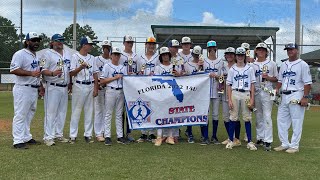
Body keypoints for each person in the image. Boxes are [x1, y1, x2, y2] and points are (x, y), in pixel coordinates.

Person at [274, 43, 312, 153]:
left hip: (296, 94)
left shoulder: (303, 64)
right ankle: (284, 143)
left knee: (296, 120)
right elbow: (280, 80)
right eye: (288, 50)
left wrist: (305, 97)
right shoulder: (284, 64)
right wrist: (276, 89)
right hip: (284, 95)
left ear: (297, 50)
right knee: (281, 120)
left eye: (292, 49)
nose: (290, 51)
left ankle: (294, 145)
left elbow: (307, 83)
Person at [10, 32, 44, 149]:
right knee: (20, 114)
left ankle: (26, 136)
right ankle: (17, 140)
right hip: (22, 88)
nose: (36, 43)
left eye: (38, 40)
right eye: (33, 40)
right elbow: (13, 69)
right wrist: (30, 73)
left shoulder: (36, 55)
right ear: (27, 41)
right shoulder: (20, 54)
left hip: (33, 88)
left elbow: (37, 73)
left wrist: (40, 86)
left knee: (29, 114)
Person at [41, 33, 71, 146]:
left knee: (62, 112)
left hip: (64, 87)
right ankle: (48, 136)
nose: (60, 42)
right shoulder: (46, 54)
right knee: (50, 112)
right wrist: (52, 73)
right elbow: (42, 69)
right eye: (57, 40)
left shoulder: (67, 53)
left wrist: (70, 83)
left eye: (61, 40)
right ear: (52, 42)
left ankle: (59, 134)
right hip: (52, 86)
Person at [225, 47, 257, 151]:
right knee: (233, 117)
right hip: (235, 92)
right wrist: (229, 99)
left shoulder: (250, 68)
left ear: (244, 56)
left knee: (247, 117)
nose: (240, 57)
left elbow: (252, 84)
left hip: (246, 93)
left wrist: (252, 98)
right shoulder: (232, 69)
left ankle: (249, 141)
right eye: (238, 55)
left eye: (242, 55)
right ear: (235, 56)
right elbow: (229, 85)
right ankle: (231, 140)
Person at [69, 36, 99, 144]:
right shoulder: (75, 56)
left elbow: (95, 73)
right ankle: (73, 135)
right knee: (76, 110)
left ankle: (88, 134)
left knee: (89, 111)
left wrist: (96, 88)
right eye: (89, 45)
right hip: (79, 85)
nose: (91, 46)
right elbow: (71, 73)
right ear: (83, 45)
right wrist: (80, 67)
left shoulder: (92, 58)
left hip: (90, 85)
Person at [251, 43, 278, 151]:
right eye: (259, 49)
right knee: (258, 115)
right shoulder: (252, 65)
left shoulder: (272, 64)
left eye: (263, 50)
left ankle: (268, 140)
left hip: (268, 90)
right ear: (256, 51)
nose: (261, 51)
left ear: (266, 52)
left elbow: (276, 78)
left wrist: (268, 77)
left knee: (267, 115)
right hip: (257, 91)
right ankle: (260, 137)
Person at [100, 47, 127, 145]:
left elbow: (126, 80)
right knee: (108, 113)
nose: (116, 56)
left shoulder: (123, 67)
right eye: (114, 54)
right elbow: (102, 81)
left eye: (118, 54)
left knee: (119, 114)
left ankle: (120, 136)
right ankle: (107, 136)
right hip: (110, 90)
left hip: (120, 91)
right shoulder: (107, 66)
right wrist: (115, 78)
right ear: (111, 55)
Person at [153, 47, 179, 146]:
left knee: (171, 114)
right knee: (160, 114)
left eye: (167, 54)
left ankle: (170, 136)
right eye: (163, 55)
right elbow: (155, 81)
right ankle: (159, 137)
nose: (165, 56)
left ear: (169, 55)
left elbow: (180, 78)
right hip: (161, 93)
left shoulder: (174, 66)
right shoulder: (158, 67)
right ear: (161, 56)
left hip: (172, 93)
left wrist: (178, 74)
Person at [136, 37, 159, 143]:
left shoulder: (158, 57)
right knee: (144, 108)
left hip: (154, 86)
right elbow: (137, 71)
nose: (151, 46)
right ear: (145, 45)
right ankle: (143, 133)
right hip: (143, 86)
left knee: (153, 108)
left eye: (153, 44)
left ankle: (152, 133)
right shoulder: (140, 57)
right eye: (149, 44)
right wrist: (139, 74)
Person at [203, 40, 224, 145]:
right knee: (205, 114)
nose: (212, 50)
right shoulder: (204, 61)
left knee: (215, 114)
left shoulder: (220, 61)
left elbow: (223, 77)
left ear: (216, 49)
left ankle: (214, 136)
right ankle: (205, 136)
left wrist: (216, 76)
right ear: (207, 49)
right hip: (205, 91)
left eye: (213, 48)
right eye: (210, 49)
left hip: (216, 90)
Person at [183, 45, 205, 144]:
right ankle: (190, 133)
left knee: (202, 112)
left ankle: (203, 135)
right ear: (192, 54)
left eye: (198, 55)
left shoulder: (204, 64)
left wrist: (202, 66)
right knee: (190, 112)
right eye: (195, 55)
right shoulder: (187, 64)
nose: (197, 57)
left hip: (201, 93)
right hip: (190, 92)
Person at [119, 35, 138, 142]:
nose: (130, 44)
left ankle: (129, 132)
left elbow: (139, 69)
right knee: (121, 111)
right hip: (122, 84)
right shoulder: (120, 55)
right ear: (124, 43)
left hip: (132, 85)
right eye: (127, 42)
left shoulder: (136, 56)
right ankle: (120, 132)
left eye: (131, 42)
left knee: (130, 110)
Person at [94, 40, 112, 142]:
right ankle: (98, 133)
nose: (106, 49)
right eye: (105, 47)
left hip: (108, 88)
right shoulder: (97, 59)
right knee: (98, 110)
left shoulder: (111, 60)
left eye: (108, 47)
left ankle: (105, 131)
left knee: (107, 111)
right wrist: (96, 86)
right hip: (100, 87)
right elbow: (94, 74)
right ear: (102, 48)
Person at [220, 47, 237, 146]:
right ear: (225, 56)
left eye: (231, 54)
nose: (229, 56)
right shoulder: (223, 67)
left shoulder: (237, 66)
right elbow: (220, 79)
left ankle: (235, 138)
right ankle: (230, 136)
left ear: (234, 55)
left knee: (234, 117)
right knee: (226, 117)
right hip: (225, 93)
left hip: (234, 94)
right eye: (228, 54)